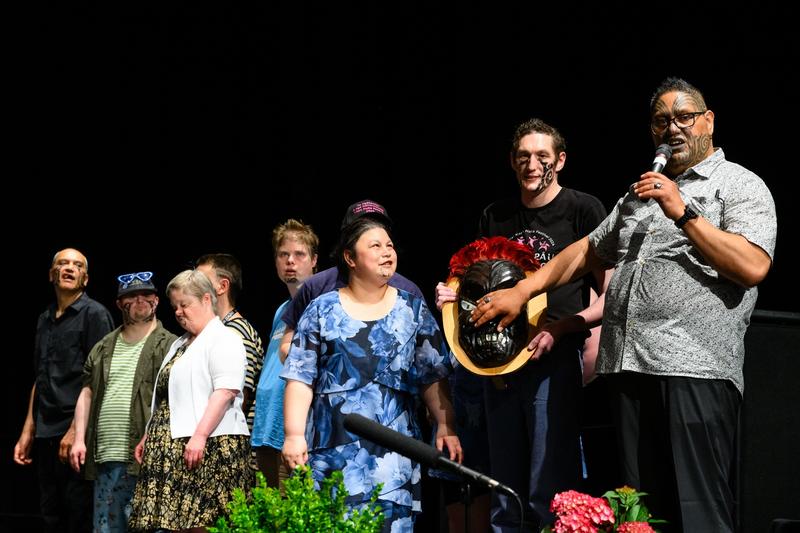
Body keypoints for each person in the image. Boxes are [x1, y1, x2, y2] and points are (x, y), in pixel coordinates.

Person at [470, 77, 777, 532]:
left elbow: (752, 266)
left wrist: (685, 212)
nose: (672, 128)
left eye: (684, 117)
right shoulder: (640, 193)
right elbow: (584, 251)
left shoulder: (738, 185)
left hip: (693, 369)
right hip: (629, 370)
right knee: (637, 516)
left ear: (708, 121)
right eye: (660, 121)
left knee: (697, 512)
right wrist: (523, 290)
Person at [436, 118, 611, 531]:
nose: (532, 165)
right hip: (498, 366)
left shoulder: (583, 210)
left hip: (553, 360)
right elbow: (478, 288)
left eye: (542, 157)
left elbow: (611, 296)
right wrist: (454, 299)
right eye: (523, 157)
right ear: (512, 163)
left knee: (547, 486)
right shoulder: (495, 215)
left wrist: (564, 329)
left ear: (560, 161)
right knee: (504, 489)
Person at [281, 216, 463, 533]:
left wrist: (446, 426)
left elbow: (432, 376)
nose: (386, 252)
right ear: (350, 258)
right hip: (333, 454)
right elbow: (300, 377)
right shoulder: (321, 309)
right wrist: (294, 434)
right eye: (375, 245)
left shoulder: (413, 309)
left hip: (395, 460)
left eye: (389, 245)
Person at [128, 269, 252, 531]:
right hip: (175, 446)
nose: (178, 312)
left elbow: (225, 391)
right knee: (178, 524)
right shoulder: (181, 344)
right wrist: (149, 433)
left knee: (204, 522)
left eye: (185, 304)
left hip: (210, 446)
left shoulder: (225, 338)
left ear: (207, 299)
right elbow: (168, 396)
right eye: (175, 306)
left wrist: (200, 436)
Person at [14, 248, 114, 533]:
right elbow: (41, 377)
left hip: (75, 433)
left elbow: (98, 379)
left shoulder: (95, 315)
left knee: (78, 514)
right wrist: (27, 430)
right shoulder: (44, 317)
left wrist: (75, 431)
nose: (69, 268)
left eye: (77, 265)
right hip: (46, 430)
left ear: (85, 278)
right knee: (50, 512)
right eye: (62, 263)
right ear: (51, 274)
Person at [68, 271, 177, 532]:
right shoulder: (104, 346)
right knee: (106, 528)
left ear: (156, 300)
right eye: (131, 296)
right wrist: (79, 437)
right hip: (106, 455)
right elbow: (87, 391)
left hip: (149, 458)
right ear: (119, 304)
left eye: (146, 294)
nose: (139, 299)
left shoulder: (171, 345)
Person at [278, 199, 427, 360]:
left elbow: (427, 357)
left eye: (381, 229)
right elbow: (286, 345)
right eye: (363, 228)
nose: (373, 231)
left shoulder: (408, 292)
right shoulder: (316, 288)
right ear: (349, 249)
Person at [251, 219, 319, 488]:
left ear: (314, 260)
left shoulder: (319, 304)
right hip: (266, 426)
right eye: (283, 255)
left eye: (299, 254)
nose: (290, 261)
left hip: (293, 430)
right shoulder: (282, 310)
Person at [195, 253, 264, 434]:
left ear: (223, 286)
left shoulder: (236, 332)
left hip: (225, 442)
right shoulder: (215, 331)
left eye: (200, 282)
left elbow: (237, 398)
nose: (192, 288)